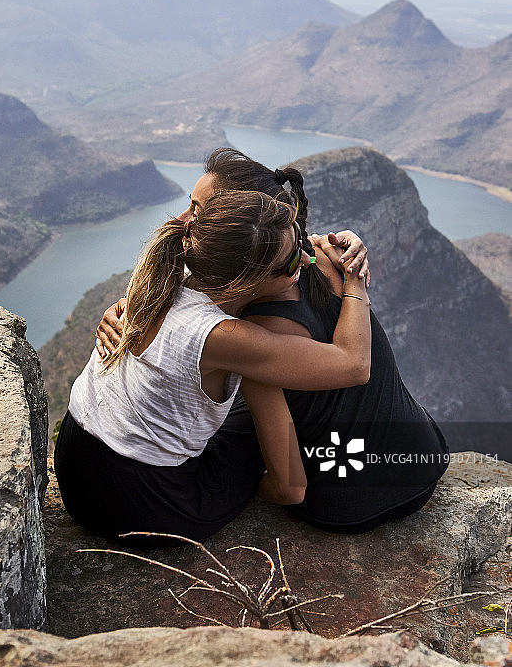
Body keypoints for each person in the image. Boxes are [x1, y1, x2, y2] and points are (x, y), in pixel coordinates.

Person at [96, 148, 448, 534]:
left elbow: (290, 484)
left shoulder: (251, 334)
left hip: (343, 503)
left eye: (199, 212)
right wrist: (125, 308)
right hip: (423, 458)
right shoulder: (325, 259)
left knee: (234, 425)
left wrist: (250, 492)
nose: (185, 223)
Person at [55, 188, 372, 541]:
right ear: (242, 282)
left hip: (74, 457)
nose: (305, 259)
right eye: (287, 263)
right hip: (137, 502)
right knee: (257, 424)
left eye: (300, 238)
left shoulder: (181, 262)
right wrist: (355, 279)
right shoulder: (222, 336)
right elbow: (354, 365)